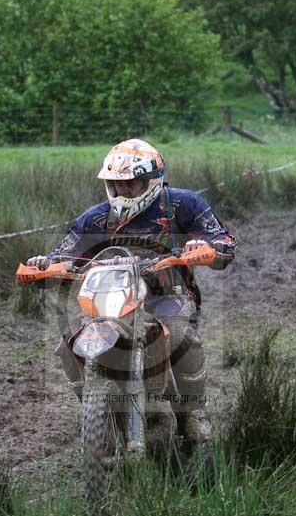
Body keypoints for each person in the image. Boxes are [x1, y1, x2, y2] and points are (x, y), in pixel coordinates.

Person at [27, 138, 236, 446]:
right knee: (67, 343)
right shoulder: (96, 217)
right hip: (109, 301)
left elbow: (223, 242)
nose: (123, 190)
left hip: (166, 296)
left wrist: (204, 248)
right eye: (116, 183)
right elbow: (63, 254)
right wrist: (44, 265)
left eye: (131, 183)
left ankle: (194, 411)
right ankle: (93, 409)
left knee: (180, 337)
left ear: (150, 181)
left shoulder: (181, 203)